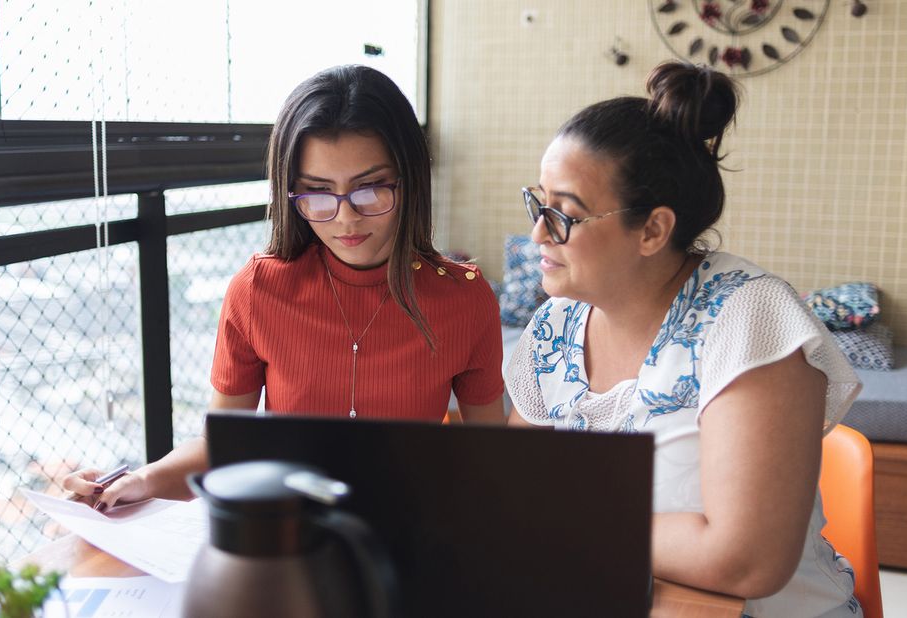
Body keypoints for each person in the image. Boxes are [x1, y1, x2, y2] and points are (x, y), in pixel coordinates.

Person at [506, 62, 862, 616]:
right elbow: (512, 487)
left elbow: (746, 559)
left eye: (564, 215)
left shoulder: (747, 320)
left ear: (652, 230)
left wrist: (564, 523)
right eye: (539, 202)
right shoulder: (554, 327)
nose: (538, 233)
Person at [64, 65, 505, 509]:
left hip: (408, 531)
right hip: (289, 535)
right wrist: (138, 481)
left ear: (410, 180)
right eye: (317, 192)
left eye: (371, 188)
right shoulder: (257, 291)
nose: (346, 218)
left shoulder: (464, 298)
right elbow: (220, 449)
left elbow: (491, 461)